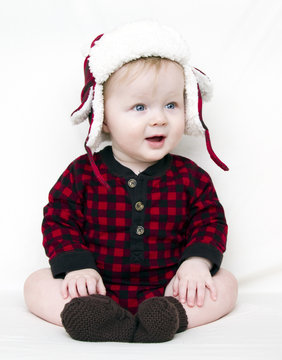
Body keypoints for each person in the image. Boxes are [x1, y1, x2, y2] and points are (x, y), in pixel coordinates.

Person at [24, 21, 238, 343]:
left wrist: (196, 263)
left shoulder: (190, 177)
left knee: (228, 285)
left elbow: (209, 219)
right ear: (104, 118)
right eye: (139, 107)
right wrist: (77, 267)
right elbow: (58, 219)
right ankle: (105, 319)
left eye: (171, 105)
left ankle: (169, 317)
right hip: (96, 288)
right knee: (35, 285)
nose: (159, 118)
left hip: (170, 289)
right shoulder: (84, 172)